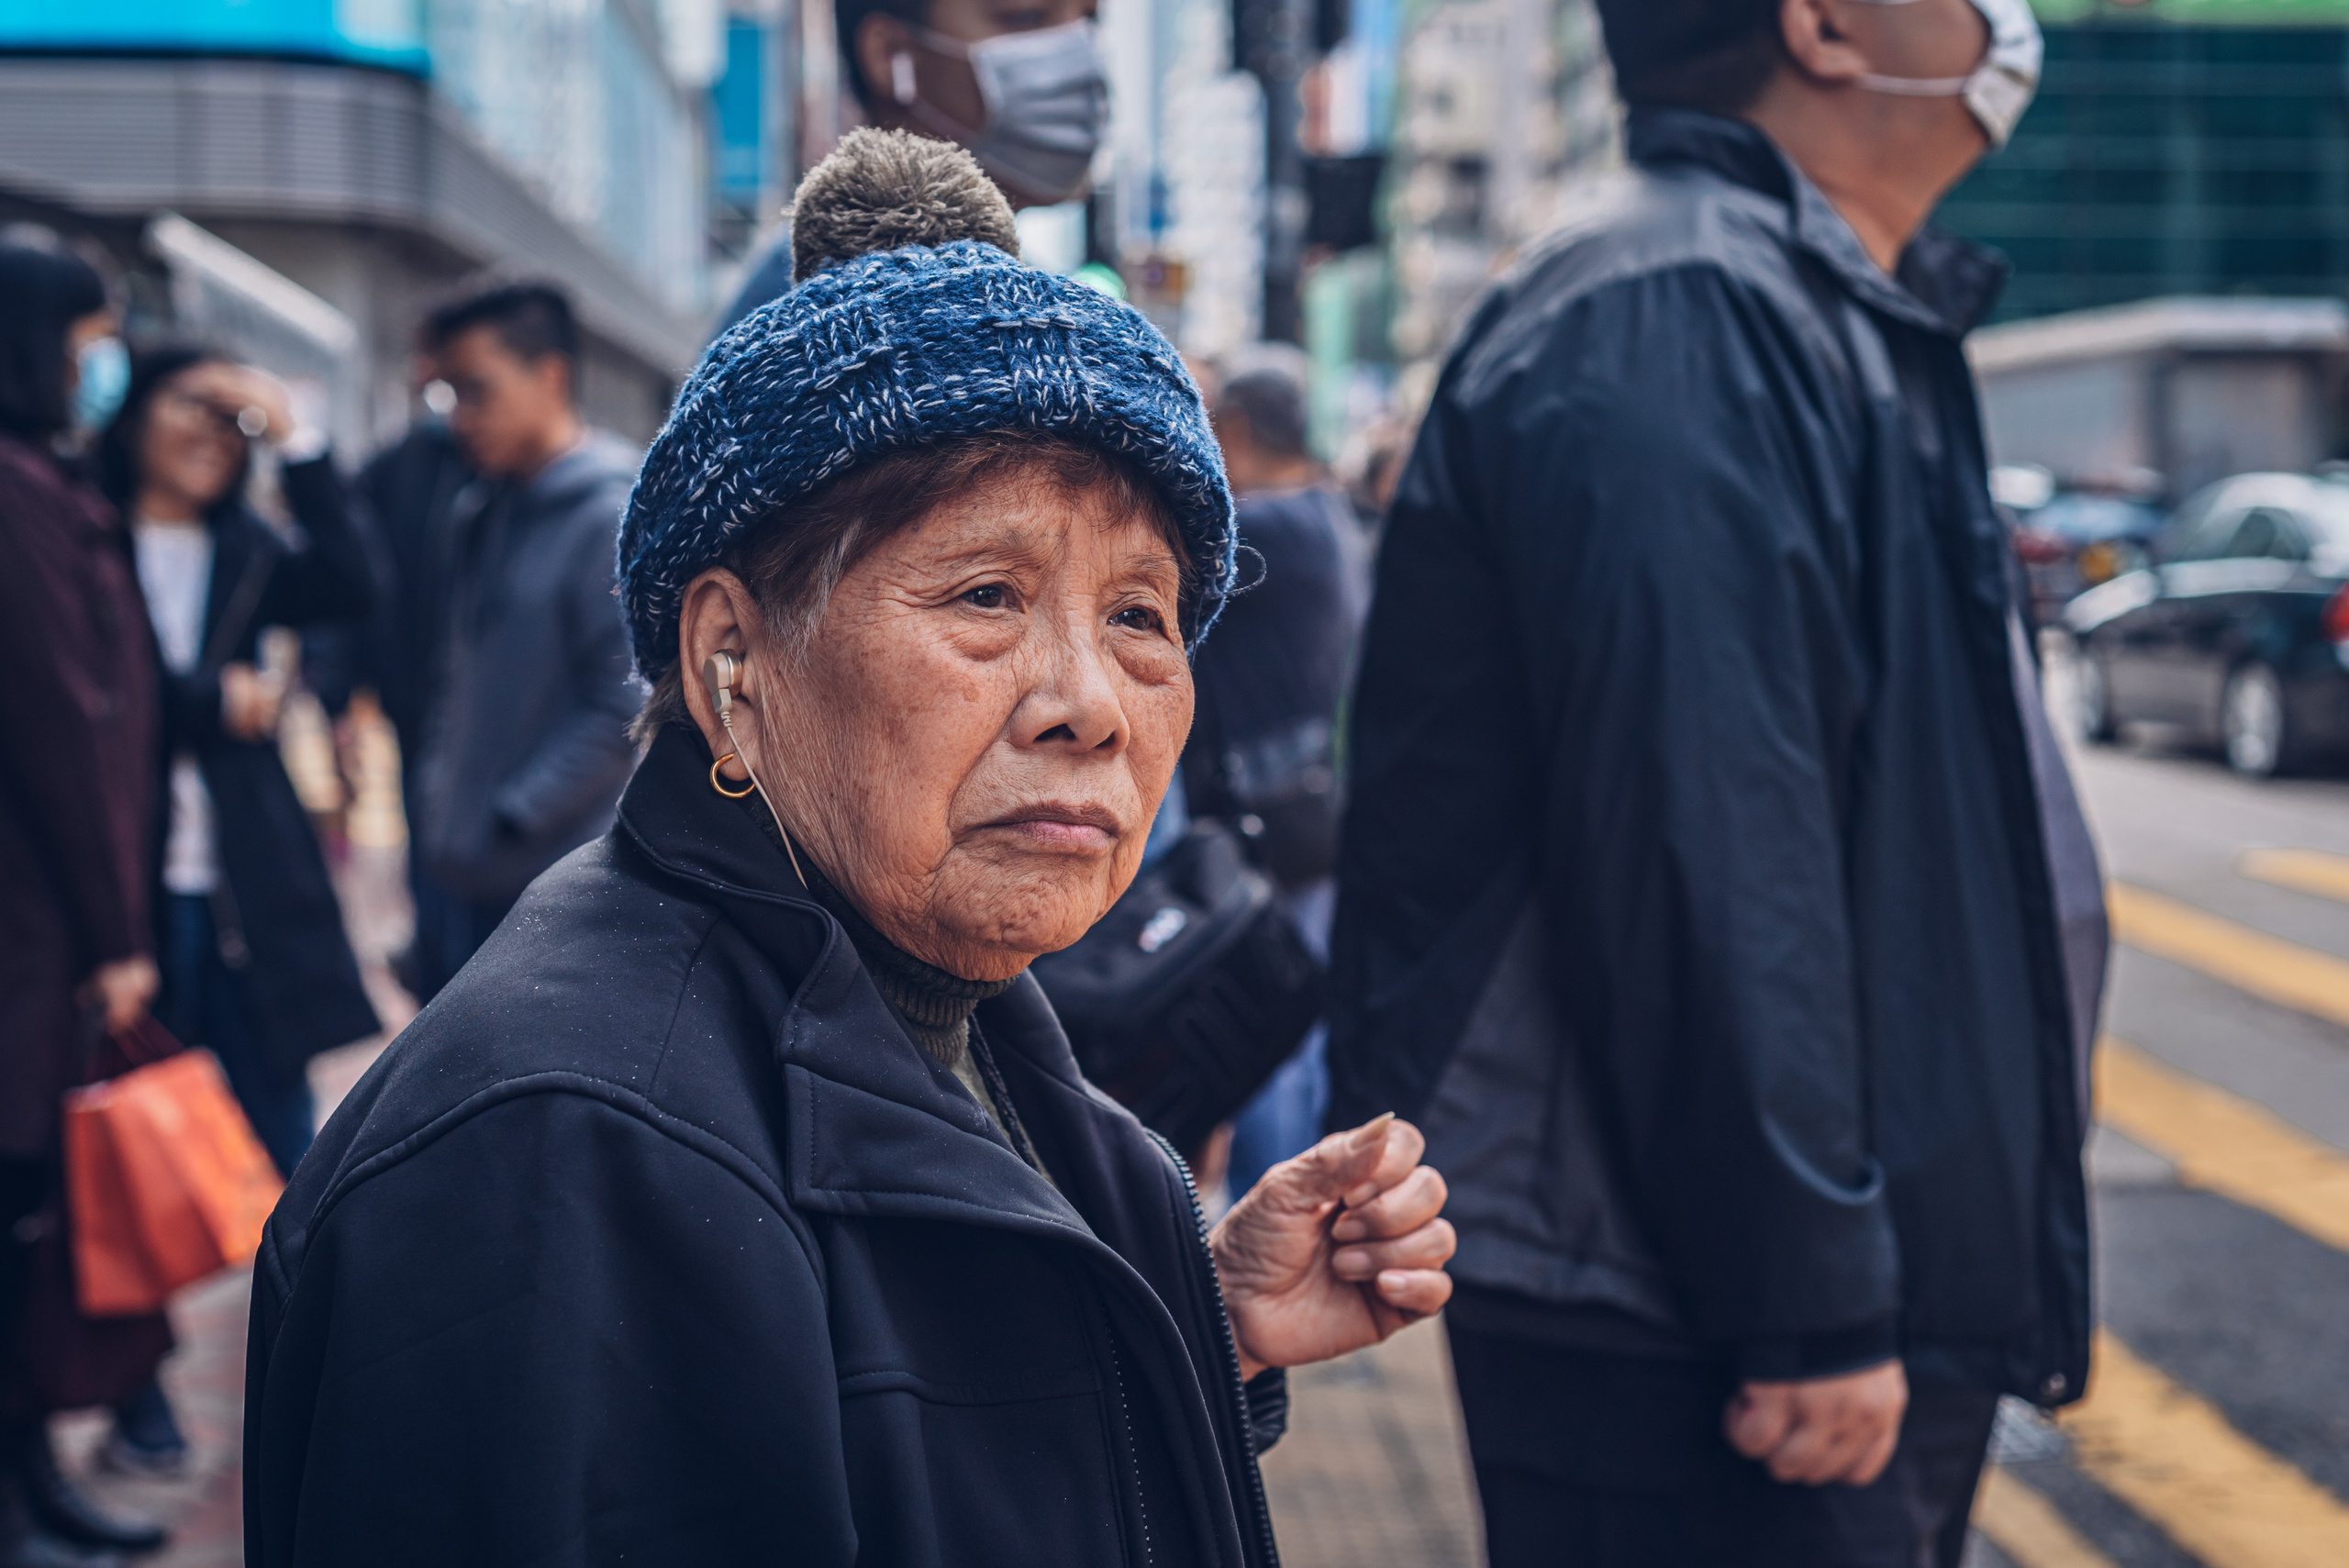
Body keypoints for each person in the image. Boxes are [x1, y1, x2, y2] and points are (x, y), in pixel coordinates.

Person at [244, 129, 1454, 1566]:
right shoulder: (558, 1158)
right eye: (988, 593)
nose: (1089, 705)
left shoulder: (952, 1001)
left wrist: (1195, 1329)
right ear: (731, 659)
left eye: (1141, 613)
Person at [1326, 2, 2104, 1565]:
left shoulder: (1779, 294)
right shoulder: (1673, 310)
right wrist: (1805, 1291)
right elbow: (1711, 839)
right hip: (1691, 1304)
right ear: (1820, 25)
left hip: (1751, 1274)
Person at [98, 342, 381, 1185]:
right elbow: (87, 700)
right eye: (192, 405)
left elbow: (355, 581)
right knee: (125, 1137)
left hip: (241, 881)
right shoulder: (82, 530)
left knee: (283, 1128)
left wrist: (296, 436)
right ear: (134, 411)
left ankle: (300, 1300)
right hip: (125, 888)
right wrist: (209, 704)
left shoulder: (249, 547)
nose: (217, 434)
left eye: (235, 419)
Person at [0, 234, 173, 1567]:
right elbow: (63, 721)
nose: (96, 364)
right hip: (35, 931)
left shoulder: (42, 482)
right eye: (87, 338)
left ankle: (32, 1488)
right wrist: (118, 939)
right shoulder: (15, 494)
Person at [394, 283, 640, 1001]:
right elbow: (454, 673)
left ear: (551, 377)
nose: (459, 418)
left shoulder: (611, 515)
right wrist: (440, 801)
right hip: (456, 865)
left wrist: (514, 816)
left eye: (477, 391)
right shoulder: (479, 508)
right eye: (447, 396)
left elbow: (624, 703)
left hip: (551, 883)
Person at [1192, 347, 1368, 1196]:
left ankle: (1279, 1203)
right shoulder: (1326, 517)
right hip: (1302, 815)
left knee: (1268, 1034)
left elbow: (1175, 530)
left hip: (1274, 821)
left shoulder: (1279, 528)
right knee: (1285, 1027)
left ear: (1235, 429)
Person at [714, 0, 1107, 331]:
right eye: (1026, 16)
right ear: (891, 56)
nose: (1079, 52)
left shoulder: (1017, 292)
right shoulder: (809, 305)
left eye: (1089, 20)